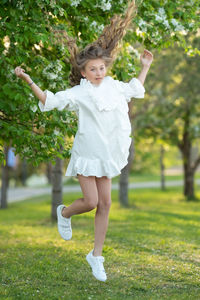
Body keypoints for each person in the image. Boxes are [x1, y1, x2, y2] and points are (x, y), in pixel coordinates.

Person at [14, 1, 153, 282]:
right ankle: (64, 212)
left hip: (107, 153)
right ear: (83, 72)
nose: (99, 72)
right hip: (87, 153)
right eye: (93, 69)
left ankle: (96, 256)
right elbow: (49, 100)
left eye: (102, 67)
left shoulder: (115, 86)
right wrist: (29, 81)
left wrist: (145, 66)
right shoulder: (79, 93)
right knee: (90, 202)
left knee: (106, 204)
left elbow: (136, 89)